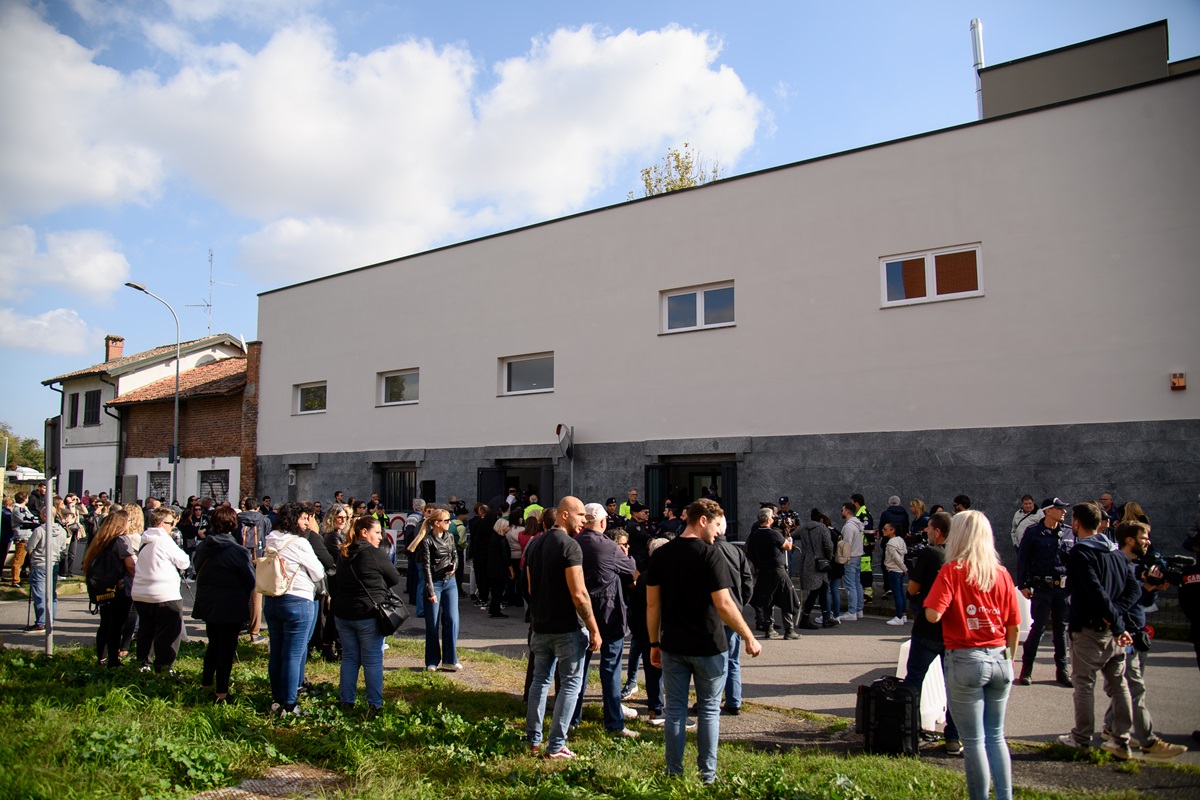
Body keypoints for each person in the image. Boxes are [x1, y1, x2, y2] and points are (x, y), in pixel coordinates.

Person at [646, 498, 762, 784]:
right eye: (715, 525)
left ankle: (673, 772)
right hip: (709, 645)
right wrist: (748, 636)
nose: (717, 532)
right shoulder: (711, 555)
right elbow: (723, 604)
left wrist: (653, 644)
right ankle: (707, 775)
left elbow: (652, 606)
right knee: (709, 711)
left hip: (672, 643)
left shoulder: (661, 555)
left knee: (674, 710)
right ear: (702, 521)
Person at [924, 510, 1021, 800]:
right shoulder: (1001, 573)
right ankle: (1005, 796)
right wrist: (1010, 659)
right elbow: (1014, 625)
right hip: (1000, 657)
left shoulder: (952, 570)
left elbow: (932, 614)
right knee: (996, 736)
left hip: (965, 657)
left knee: (974, 740)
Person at [1056, 503, 1140, 758]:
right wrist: (1116, 619)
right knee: (1119, 684)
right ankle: (1121, 740)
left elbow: (1095, 593)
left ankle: (1081, 737)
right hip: (1112, 631)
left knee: (1084, 684)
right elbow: (1133, 590)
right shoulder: (1115, 553)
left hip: (1090, 629)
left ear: (1076, 523)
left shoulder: (1081, 554)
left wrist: (1112, 618)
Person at [1100, 521, 1187, 759]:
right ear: (1130, 540)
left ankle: (1110, 729)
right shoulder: (1118, 564)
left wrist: (1151, 588)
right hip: (1124, 636)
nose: (1148, 541)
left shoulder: (1137, 565)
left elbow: (1144, 603)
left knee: (1124, 688)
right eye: (1144, 537)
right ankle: (1148, 741)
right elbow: (1121, 605)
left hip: (1136, 635)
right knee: (1134, 688)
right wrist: (1144, 588)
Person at [525, 496, 600, 760]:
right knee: (570, 685)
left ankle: (533, 740)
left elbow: (531, 588)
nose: (584, 521)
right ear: (565, 515)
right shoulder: (570, 546)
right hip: (566, 627)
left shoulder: (535, 544)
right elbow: (579, 594)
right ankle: (556, 745)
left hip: (540, 625)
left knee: (540, 681)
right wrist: (593, 628)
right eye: (581, 515)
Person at [570, 503, 639, 736]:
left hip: (581, 614)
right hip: (609, 614)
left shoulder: (574, 544)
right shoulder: (609, 547)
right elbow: (630, 569)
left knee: (580, 668)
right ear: (602, 522)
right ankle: (613, 721)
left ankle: (572, 718)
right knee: (611, 668)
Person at [903, 510, 960, 753]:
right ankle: (953, 738)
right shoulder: (962, 556)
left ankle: (909, 733)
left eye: (928, 529)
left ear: (938, 532)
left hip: (928, 628)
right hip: (953, 630)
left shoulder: (931, 553)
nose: (925, 532)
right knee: (954, 688)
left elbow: (914, 588)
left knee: (914, 680)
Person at [262, 502, 326, 716]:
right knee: (293, 655)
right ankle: (290, 705)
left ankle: (277, 699)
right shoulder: (299, 543)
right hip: (298, 601)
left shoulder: (271, 537)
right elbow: (318, 572)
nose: (307, 523)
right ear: (292, 520)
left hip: (273, 599)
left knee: (277, 654)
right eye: (303, 519)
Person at [334, 514, 402, 715]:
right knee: (372, 659)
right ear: (364, 533)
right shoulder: (374, 553)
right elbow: (395, 578)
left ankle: (346, 701)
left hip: (343, 613)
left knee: (350, 658)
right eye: (377, 532)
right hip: (367, 613)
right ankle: (375, 704)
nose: (381, 537)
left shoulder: (344, 553)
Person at [191, 505, 255, 703]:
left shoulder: (203, 547)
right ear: (233, 524)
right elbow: (250, 579)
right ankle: (222, 692)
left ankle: (206, 682)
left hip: (209, 602)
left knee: (214, 644)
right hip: (230, 604)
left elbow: (195, 567)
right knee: (227, 649)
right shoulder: (237, 551)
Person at [1015, 497, 1074, 687]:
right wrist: (1023, 584)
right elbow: (1023, 560)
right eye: (1059, 509)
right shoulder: (1033, 533)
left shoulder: (1068, 533)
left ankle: (1062, 670)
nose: (1064, 512)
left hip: (1062, 589)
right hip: (1042, 588)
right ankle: (1027, 670)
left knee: (1060, 630)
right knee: (1038, 628)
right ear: (1048, 511)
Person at [130, 506, 190, 672]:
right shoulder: (164, 540)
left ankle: (143, 663)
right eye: (171, 523)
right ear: (162, 523)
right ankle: (164, 666)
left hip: (141, 593)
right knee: (169, 632)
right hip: (164, 594)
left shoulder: (145, 539)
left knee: (146, 629)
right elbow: (184, 561)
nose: (172, 527)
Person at [713, 511, 754, 714]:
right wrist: (740, 604)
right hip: (734, 613)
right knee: (733, 660)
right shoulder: (736, 551)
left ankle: (712, 699)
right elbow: (748, 580)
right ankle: (734, 701)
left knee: (715, 660)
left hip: (715, 614)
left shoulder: (708, 550)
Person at [83, 510, 135, 667]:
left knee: (105, 623)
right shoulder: (121, 540)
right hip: (119, 588)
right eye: (128, 521)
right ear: (121, 524)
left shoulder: (100, 540)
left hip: (103, 588)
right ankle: (113, 660)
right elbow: (130, 565)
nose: (130, 524)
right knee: (117, 625)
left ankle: (101, 656)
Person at [418, 507, 461, 671]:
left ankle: (450, 659)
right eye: (446, 520)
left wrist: (454, 567)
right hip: (435, 582)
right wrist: (430, 590)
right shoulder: (427, 540)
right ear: (436, 523)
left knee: (452, 619)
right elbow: (426, 567)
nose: (449, 523)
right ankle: (432, 660)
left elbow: (455, 555)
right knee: (432, 622)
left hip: (450, 582)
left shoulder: (449, 536)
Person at [746, 506, 798, 639]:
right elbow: (788, 546)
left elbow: (749, 551)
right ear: (769, 519)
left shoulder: (756, 534)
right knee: (787, 597)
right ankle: (789, 630)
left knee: (767, 599)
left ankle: (769, 628)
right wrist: (788, 534)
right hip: (777, 569)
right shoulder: (773, 534)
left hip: (763, 569)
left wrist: (757, 564)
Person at [24, 509, 68, 631]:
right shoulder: (62, 531)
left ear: (45, 515)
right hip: (54, 563)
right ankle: (50, 619)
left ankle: (41, 622)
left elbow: (29, 547)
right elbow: (63, 548)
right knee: (51, 593)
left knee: (40, 593)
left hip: (40, 563)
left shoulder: (39, 530)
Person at [795, 509, 836, 629]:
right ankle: (805, 618)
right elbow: (828, 545)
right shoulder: (822, 528)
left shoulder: (804, 528)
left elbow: (793, 535)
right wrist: (829, 556)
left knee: (822, 588)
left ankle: (825, 617)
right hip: (819, 562)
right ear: (821, 519)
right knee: (816, 590)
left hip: (806, 561)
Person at [838, 503, 866, 621]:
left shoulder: (849, 526)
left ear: (847, 511)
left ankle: (852, 611)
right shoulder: (857, 525)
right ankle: (859, 609)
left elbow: (846, 544)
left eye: (842, 510)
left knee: (850, 585)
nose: (841, 512)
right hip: (858, 556)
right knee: (857, 583)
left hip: (851, 557)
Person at [883, 522, 909, 625]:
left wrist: (904, 568)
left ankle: (898, 616)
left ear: (892, 530)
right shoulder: (901, 540)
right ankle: (903, 614)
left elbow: (895, 558)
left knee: (896, 594)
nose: (883, 530)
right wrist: (904, 569)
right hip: (899, 571)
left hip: (894, 570)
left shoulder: (891, 543)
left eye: (885, 529)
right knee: (901, 593)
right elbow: (904, 553)